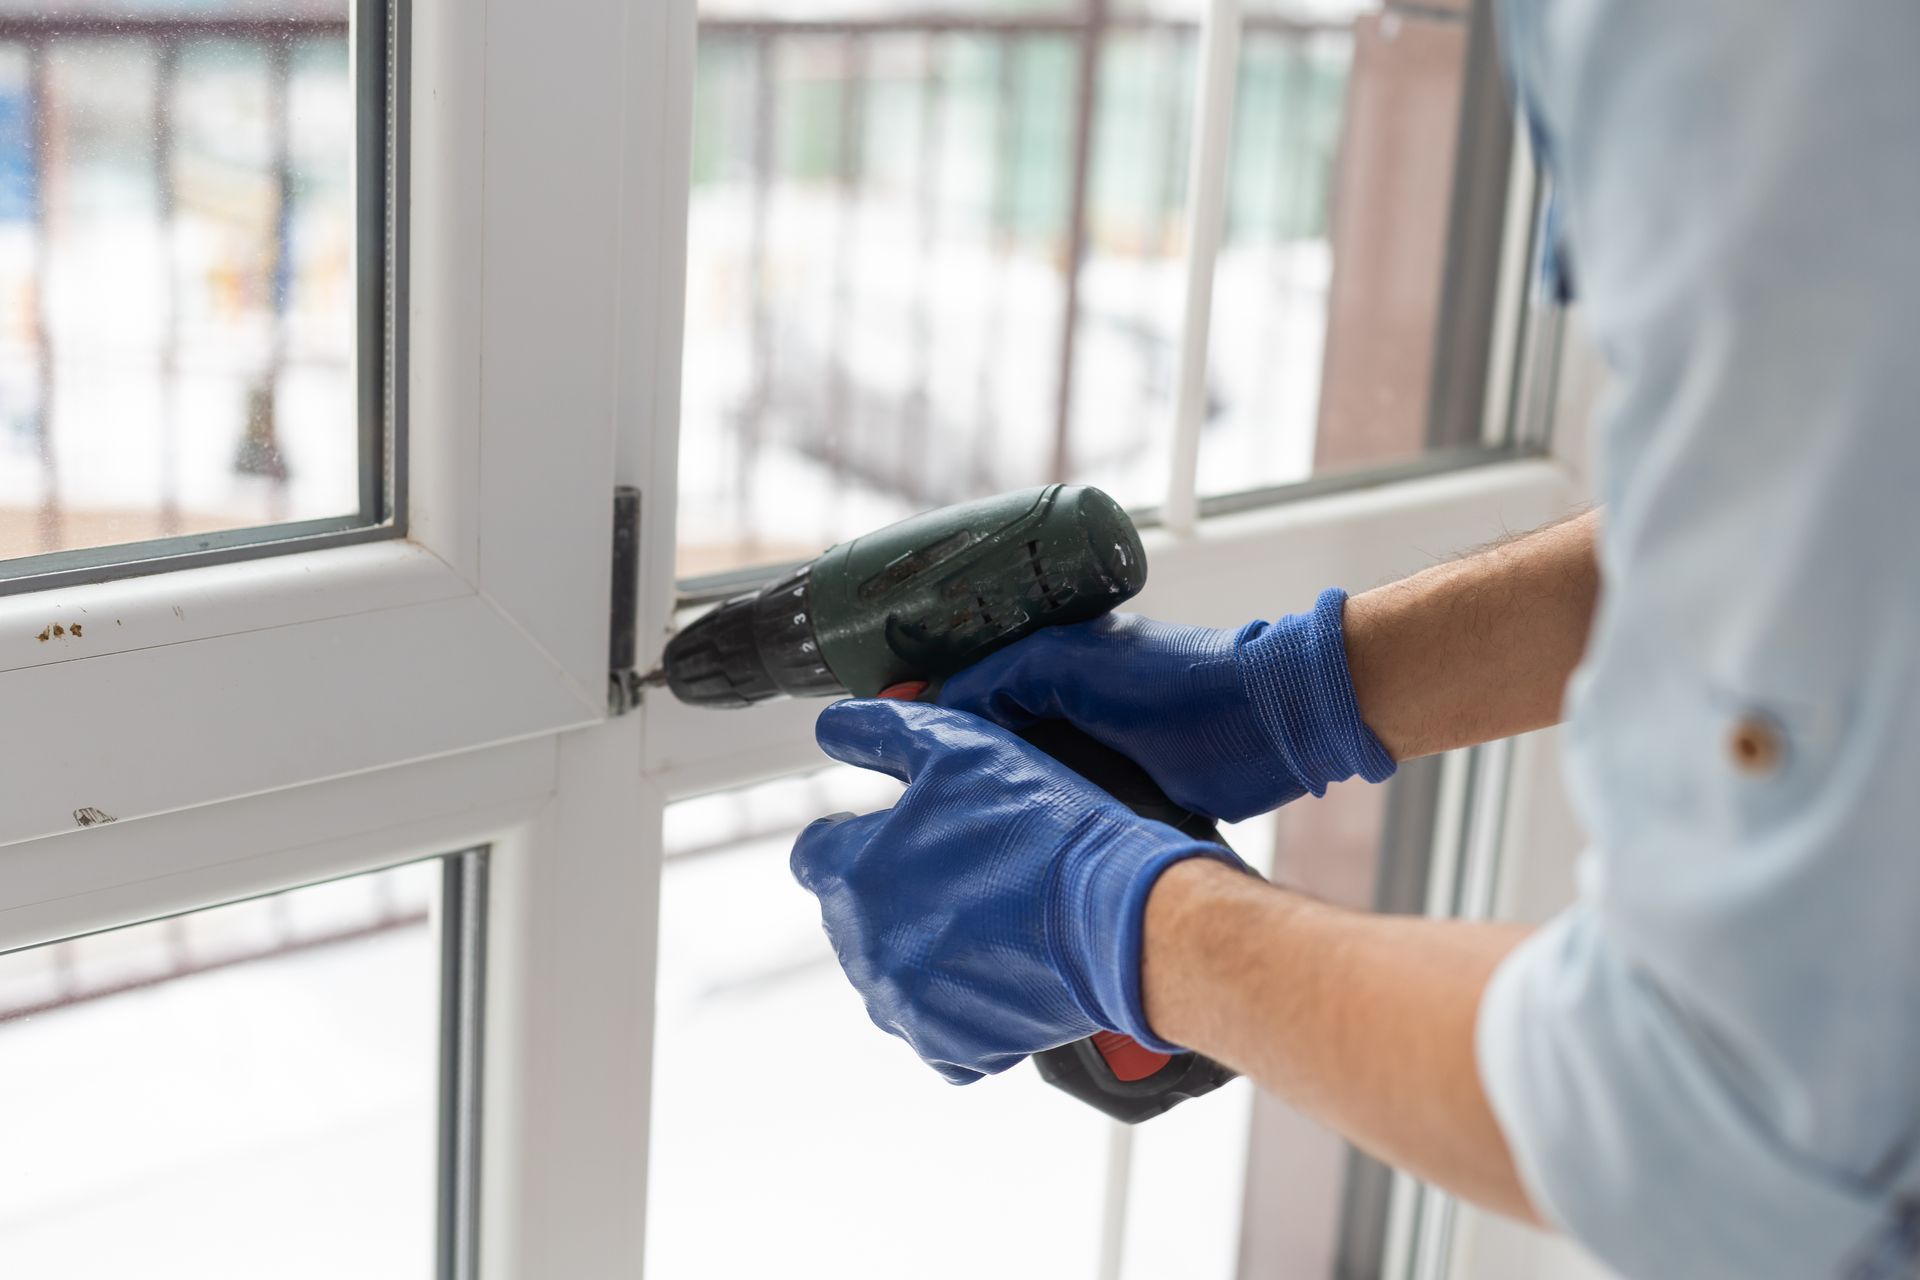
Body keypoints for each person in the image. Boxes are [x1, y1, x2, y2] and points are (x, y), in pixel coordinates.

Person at [787, 2, 1920, 1275]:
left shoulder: (1772, 48)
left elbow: (1710, 1114)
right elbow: (1836, 502)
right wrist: (1299, 692)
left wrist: (1127, 923)